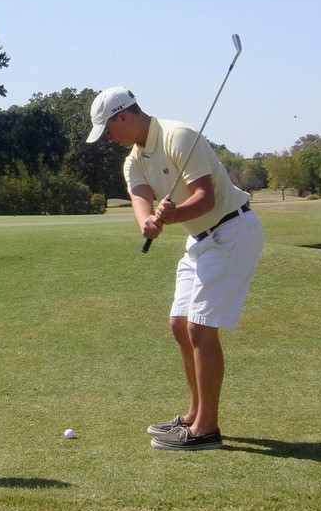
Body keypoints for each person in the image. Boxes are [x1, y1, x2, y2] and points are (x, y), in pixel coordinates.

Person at [87, 86, 264, 451]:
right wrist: (148, 223)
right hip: (199, 240)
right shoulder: (133, 160)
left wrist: (173, 216)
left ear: (123, 115)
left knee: (200, 327)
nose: (108, 138)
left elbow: (206, 197)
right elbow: (140, 202)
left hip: (232, 231)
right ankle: (193, 414)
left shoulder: (177, 135)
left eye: (108, 129)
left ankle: (207, 430)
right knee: (179, 324)